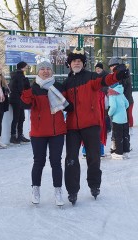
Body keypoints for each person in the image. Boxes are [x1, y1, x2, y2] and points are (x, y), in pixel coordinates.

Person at [63, 48, 129, 204]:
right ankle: (72, 190)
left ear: (83, 63)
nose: (76, 63)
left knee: (93, 158)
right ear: (70, 64)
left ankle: (94, 185)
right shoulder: (66, 83)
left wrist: (117, 75)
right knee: (71, 159)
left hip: (91, 124)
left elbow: (105, 80)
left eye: (79, 61)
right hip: (72, 127)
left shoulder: (91, 77)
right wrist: (65, 105)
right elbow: (59, 100)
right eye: (74, 61)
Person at [21, 60, 71, 206]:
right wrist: (26, 90)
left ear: (52, 71)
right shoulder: (34, 88)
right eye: (42, 69)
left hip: (57, 132)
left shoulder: (59, 87)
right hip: (38, 133)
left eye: (48, 69)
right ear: (38, 72)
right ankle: (35, 189)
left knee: (56, 162)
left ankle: (58, 191)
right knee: (39, 162)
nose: (45, 71)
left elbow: (68, 104)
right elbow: (26, 104)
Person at [108, 57, 134, 150]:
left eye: (114, 65)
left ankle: (120, 145)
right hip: (120, 102)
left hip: (122, 103)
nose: (112, 67)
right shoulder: (118, 74)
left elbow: (123, 89)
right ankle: (119, 144)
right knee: (117, 125)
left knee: (119, 125)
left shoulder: (122, 74)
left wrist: (122, 102)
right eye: (111, 66)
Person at [9, 61, 30, 144]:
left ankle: (19, 135)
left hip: (17, 99)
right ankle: (13, 136)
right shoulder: (20, 76)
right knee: (17, 118)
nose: (27, 68)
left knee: (21, 117)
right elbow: (21, 88)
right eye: (26, 66)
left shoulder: (17, 75)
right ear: (22, 67)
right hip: (17, 99)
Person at [108, 83, 130, 159]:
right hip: (124, 118)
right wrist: (122, 110)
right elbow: (127, 104)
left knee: (118, 136)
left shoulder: (112, 94)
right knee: (125, 135)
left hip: (117, 119)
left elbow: (113, 106)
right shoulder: (121, 92)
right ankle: (126, 151)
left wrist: (109, 113)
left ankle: (119, 153)